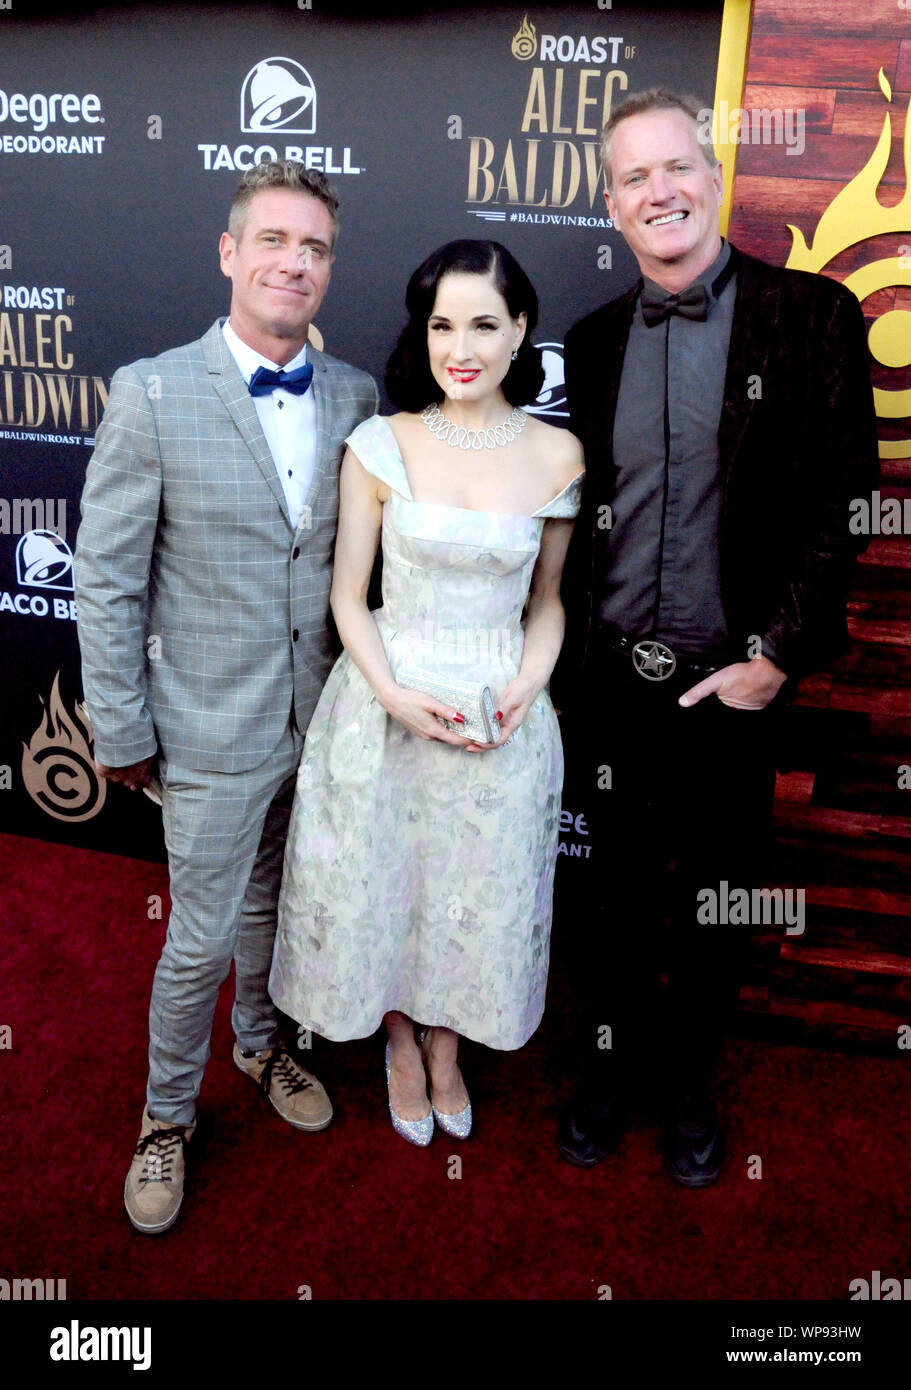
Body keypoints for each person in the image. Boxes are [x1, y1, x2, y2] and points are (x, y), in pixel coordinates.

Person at [552, 89, 878, 1185]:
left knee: (710, 904)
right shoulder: (591, 344)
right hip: (604, 687)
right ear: (609, 205)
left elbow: (845, 503)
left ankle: (686, 1084)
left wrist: (774, 656)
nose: (660, 190)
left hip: (727, 688)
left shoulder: (811, 316)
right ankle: (605, 1075)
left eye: (676, 166)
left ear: (713, 176)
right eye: (633, 176)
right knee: (604, 906)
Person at [74, 161, 378, 1232]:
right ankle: (165, 1118)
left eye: (316, 248)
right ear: (229, 252)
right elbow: (106, 576)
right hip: (204, 726)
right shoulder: (151, 391)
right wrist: (119, 725)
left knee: (272, 906)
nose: (295, 262)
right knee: (196, 934)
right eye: (275, 241)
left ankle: (260, 1046)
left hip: (317, 718)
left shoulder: (352, 394)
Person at [269, 239, 584, 1143]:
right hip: (387, 699)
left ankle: (449, 1047)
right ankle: (399, 1043)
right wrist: (394, 695)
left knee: (474, 884)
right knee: (388, 883)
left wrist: (527, 683)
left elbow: (549, 603)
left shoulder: (558, 455)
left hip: (498, 709)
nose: (462, 346)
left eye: (484, 323)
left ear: (519, 330)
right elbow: (346, 596)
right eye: (443, 324)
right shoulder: (381, 442)